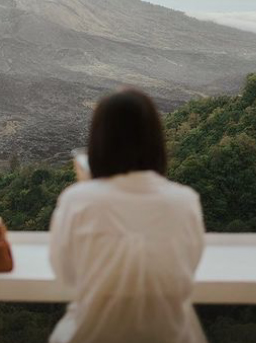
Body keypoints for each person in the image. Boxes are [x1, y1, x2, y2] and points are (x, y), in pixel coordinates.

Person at [49, 89, 207, 343]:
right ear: (156, 141)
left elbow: (66, 275)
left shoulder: (77, 200)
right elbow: (188, 266)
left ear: (98, 141)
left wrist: (86, 188)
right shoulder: (185, 201)